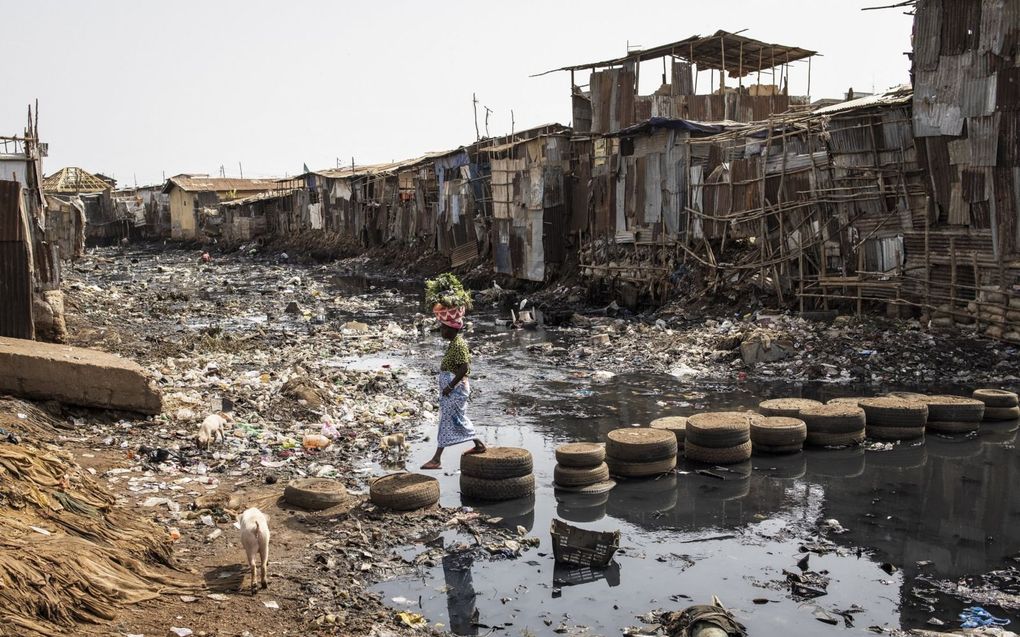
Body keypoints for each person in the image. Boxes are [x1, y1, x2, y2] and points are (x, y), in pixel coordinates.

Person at [421, 314, 485, 469]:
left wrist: (449, 387)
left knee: (450, 420)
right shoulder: (454, 343)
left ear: (451, 330)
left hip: (455, 390)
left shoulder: (459, 344)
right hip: (452, 390)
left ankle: (437, 459)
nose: (441, 331)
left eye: (444, 328)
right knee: (455, 419)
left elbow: (464, 368)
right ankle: (479, 444)